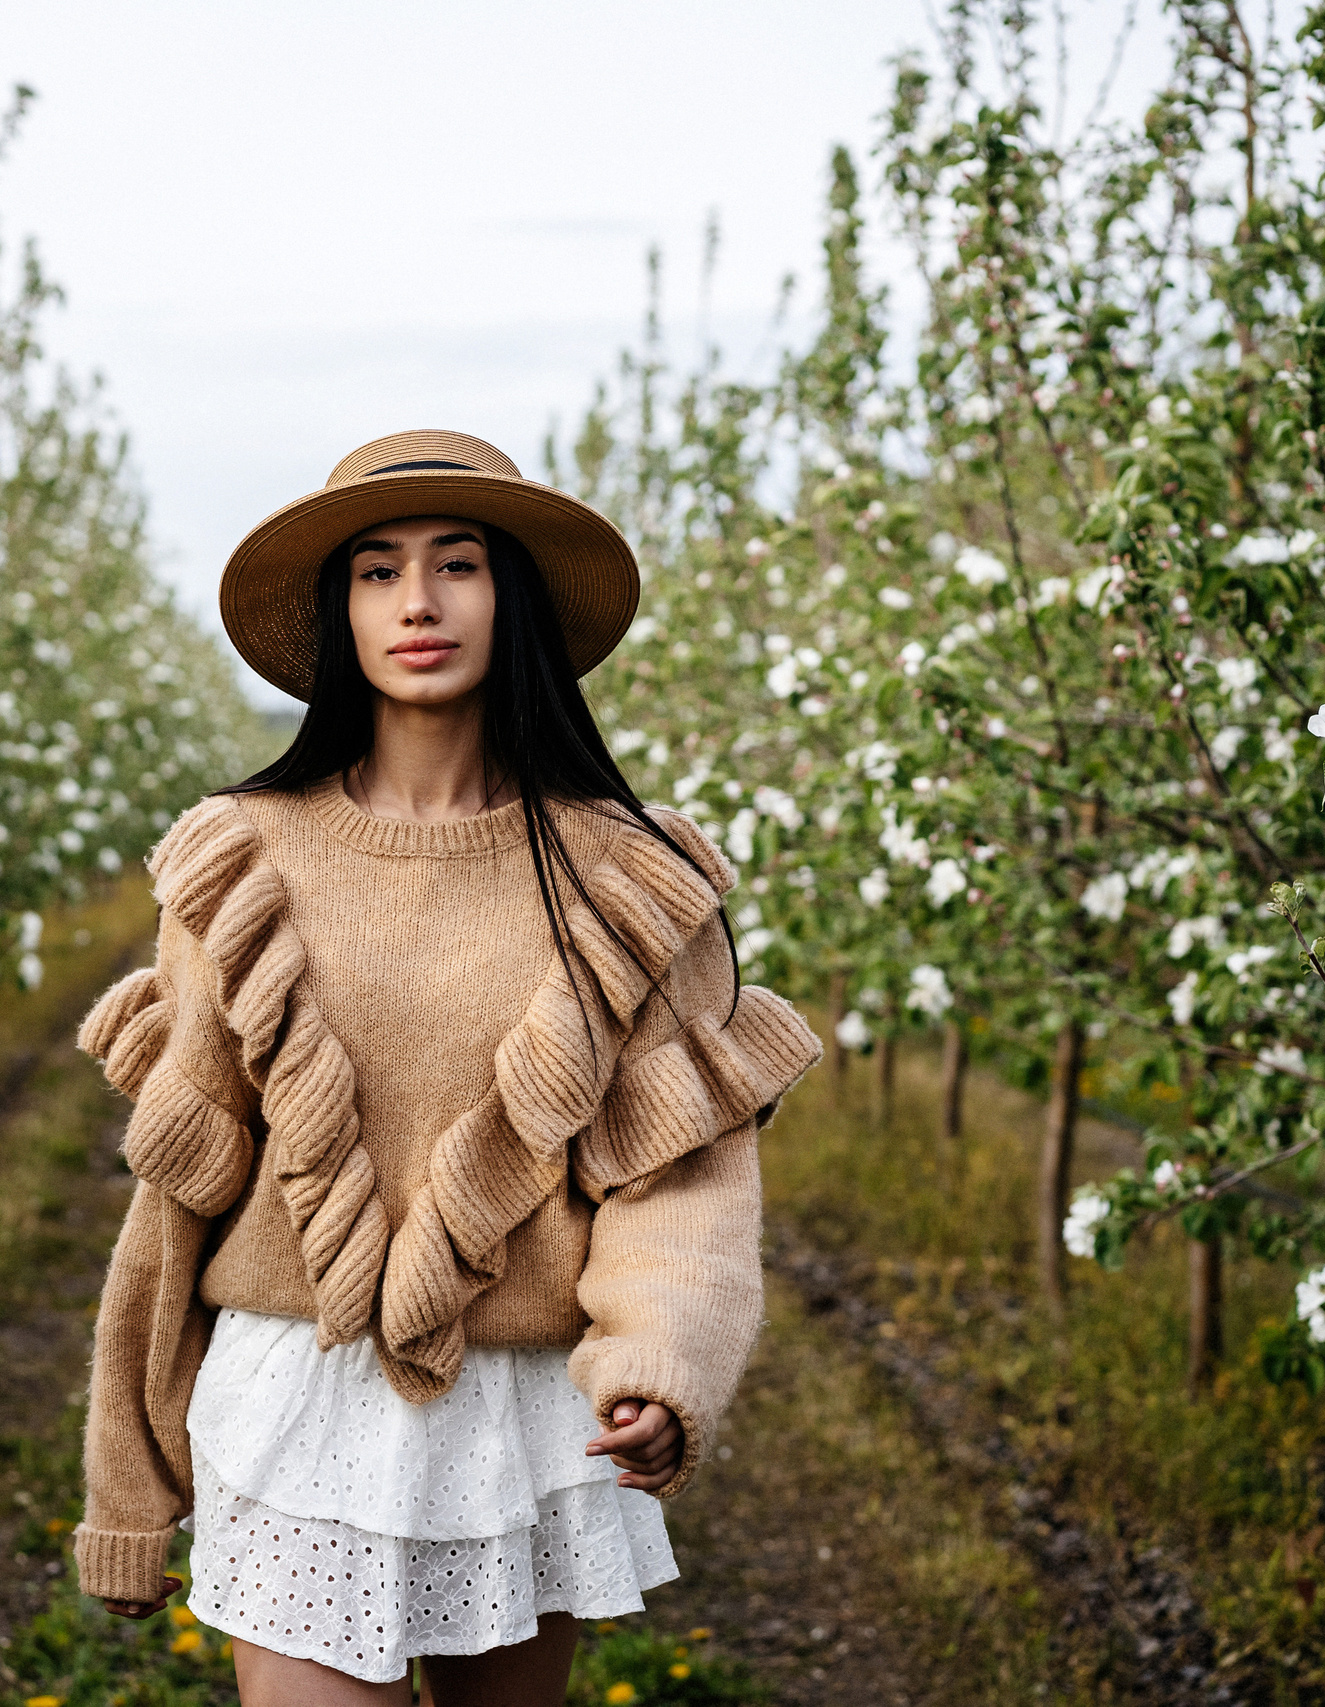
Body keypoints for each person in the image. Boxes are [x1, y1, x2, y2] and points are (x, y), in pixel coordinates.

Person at [72, 430, 821, 1705]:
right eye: (376, 572)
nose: (416, 601)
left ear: (509, 596)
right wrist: (127, 1484)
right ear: (340, 614)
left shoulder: (628, 872)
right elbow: (179, 1197)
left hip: (521, 1417)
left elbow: (679, 1178)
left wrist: (657, 1362)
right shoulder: (236, 860)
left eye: (456, 563)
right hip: (293, 1405)